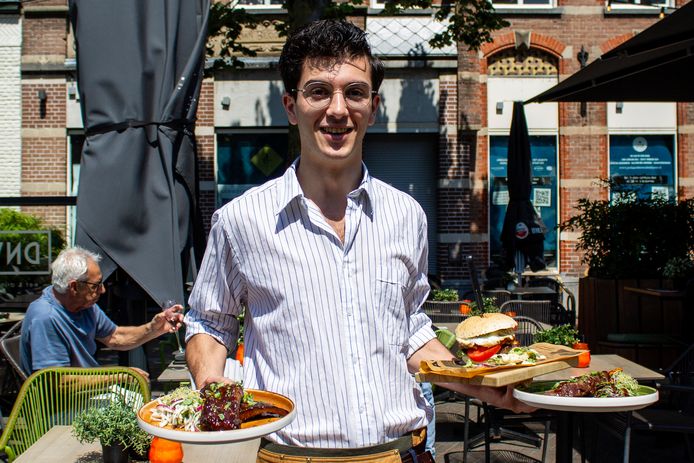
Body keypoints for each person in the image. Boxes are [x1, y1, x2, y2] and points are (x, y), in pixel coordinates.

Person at [184, 19, 532, 462]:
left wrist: (482, 385)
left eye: (354, 92)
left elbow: (409, 331)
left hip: (402, 453)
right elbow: (210, 323)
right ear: (291, 106)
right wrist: (213, 392)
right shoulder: (241, 221)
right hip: (289, 457)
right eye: (318, 92)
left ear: (373, 105)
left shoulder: (406, 215)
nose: (337, 109)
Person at [20, 246, 184, 379]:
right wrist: (117, 376)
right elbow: (57, 383)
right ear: (74, 287)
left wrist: (154, 328)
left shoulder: (84, 306)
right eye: (96, 285)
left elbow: (115, 337)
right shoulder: (46, 317)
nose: (103, 290)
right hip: (60, 410)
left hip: (87, 396)